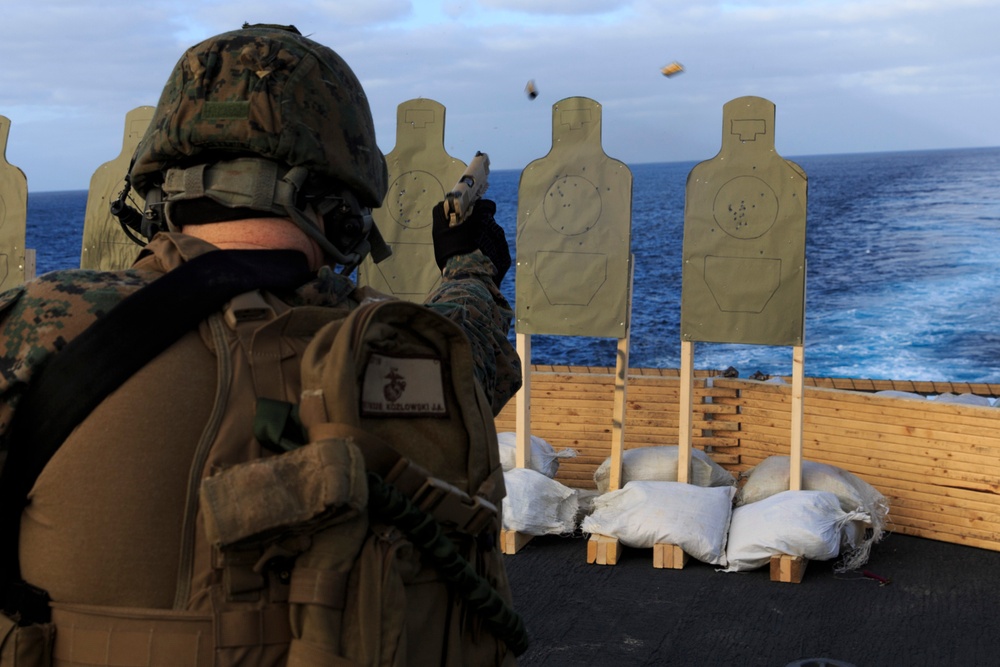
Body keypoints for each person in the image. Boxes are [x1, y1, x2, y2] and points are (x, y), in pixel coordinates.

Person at [0, 23, 521, 666]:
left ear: (160, 188)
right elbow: (472, 353)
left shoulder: (45, 324)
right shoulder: (406, 356)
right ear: (345, 213)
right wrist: (471, 266)